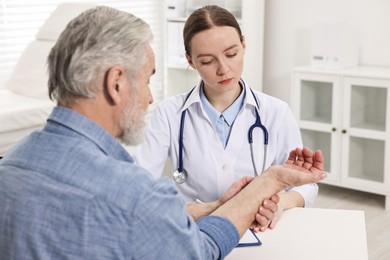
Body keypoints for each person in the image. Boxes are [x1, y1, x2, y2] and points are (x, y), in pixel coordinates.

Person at [0, 6, 326, 259]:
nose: (150, 96)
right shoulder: (132, 192)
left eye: (231, 54)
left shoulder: (9, 164)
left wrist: (222, 205)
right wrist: (270, 182)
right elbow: (199, 249)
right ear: (116, 83)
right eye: (146, 79)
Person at [134, 5, 318, 232]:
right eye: (207, 61)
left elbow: (306, 186)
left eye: (231, 54)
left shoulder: (276, 112)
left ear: (243, 45)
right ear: (190, 61)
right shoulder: (168, 114)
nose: (223, 69)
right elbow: (140, 189)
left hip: (257, 230)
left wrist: (279, 205)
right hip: (193, 230)